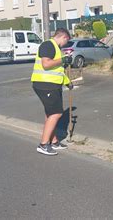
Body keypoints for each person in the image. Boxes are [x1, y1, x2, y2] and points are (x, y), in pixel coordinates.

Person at [31, 28, 73, 156]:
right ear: (64, 37)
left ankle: (53, 141)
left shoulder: (55, 48)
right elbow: (46, 64)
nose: (66, 44)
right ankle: (43, 145)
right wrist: (64, 59)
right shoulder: (48, 45)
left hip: (51, 84)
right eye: (67, 41)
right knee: (56, 113)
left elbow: (57, 70)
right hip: (45, 84)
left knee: (50, 114)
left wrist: (67, 81)